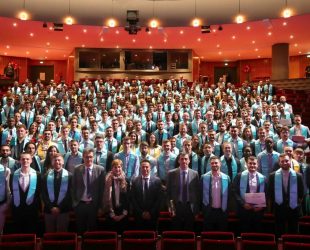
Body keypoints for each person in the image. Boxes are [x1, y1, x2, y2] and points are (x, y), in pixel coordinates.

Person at [268, 154, 304, 237]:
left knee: (293, 230)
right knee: (279, 230)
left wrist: (295, 202)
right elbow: (270, 192)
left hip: (293, 207)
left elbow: (301, 193)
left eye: (286, 161)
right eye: (282, 161)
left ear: (290, 160)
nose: (284, 163)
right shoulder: (272, 176)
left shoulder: (298, 176)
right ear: (279, 163)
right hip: (279, 206)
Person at [72, 148, 106, 234]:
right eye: (86, 157)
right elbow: (73, 187)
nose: (89, 159)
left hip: (93, 205)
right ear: (83, 157)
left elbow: (102, 190)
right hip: (80, 205)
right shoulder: (77, 169)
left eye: (91, 157)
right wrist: (75, 204)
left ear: (94, 157)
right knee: (80, 230)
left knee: (93, 231)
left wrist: (100, 207)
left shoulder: (100, 170)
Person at [167, 152, 200, 231]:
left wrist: (196, 210)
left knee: (189, 230)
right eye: (182, 159)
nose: (184, 161)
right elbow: (168, 193)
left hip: (190, 207)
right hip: (176, 206)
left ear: (189, 161)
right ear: (178, 161)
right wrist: (171, 208)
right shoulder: (171, 173)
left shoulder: (195, 174)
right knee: (176, 230)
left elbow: (197, 193)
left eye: (186, 159)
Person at [10, 152, 41, 233]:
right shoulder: (13, 175)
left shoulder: (38, 175)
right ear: (19, 161)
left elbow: (39, 192)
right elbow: (12, 190)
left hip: (32, 208)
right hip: (17, 209)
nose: (25, 161)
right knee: (18, 231)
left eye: (27, 159)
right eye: (23, 159)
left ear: (31, 160)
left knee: (32, 230)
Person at [234, 156, 267, 232]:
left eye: (254, 164)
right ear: (246, 164)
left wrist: (261, 206)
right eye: (250, 163)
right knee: (244, 231)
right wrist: (243, 204)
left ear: (257, 165)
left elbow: (266, 193)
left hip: (258, 211)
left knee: (256, 232)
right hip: (244, 210)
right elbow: (235, 192)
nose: (252, 165)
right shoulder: (239, 176)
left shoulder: (263, 178)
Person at [42, 153, 72, 232]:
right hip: (49, 210)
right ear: (52, 162)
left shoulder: (69, 176)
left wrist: (60, 208)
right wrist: (51, 207)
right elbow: (43, 193)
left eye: (59, 160)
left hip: (63, 210)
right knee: (49, 232)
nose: (57, 162)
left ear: (63, 162)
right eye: (55, 160)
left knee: (62, 233)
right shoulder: (46, 176)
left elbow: (70, 194)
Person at [201, 156, 231, 231]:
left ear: (220, 164)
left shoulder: (226, 178)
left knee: (222, 234)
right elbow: (200, 194)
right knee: (208, 234)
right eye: (212, 163)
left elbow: (230, 195)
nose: (214, 165)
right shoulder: (204, 177)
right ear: (210, 165)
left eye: (216, 163)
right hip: (209, 211)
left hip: (222, 211)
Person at [131, 160, 162, 230]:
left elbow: (159, 199)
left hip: (153, 216)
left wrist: (150, 213)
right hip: (139, 216)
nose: (145, 169)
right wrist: (141, 213)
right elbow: (133, 199)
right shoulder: (135, 181)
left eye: (147, 167)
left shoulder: (157, 181)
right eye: (143, 167)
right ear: (140, 168)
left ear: (150, 168)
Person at [103, 159, 128, 234]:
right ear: (112, 168)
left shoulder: (126, 180)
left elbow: (128, 198)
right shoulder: (107, 180)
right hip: (110, 212)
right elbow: (105, 197)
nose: (117, 169)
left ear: (121, 168)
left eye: (119, 167)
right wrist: (112, 214)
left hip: (123, 214)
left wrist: (123, 214)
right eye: (115, 167)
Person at [0, 161, 11, 234]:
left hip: (1, 204)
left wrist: (8, 203)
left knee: (0, 229)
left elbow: (8, 188)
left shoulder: (5, 170)